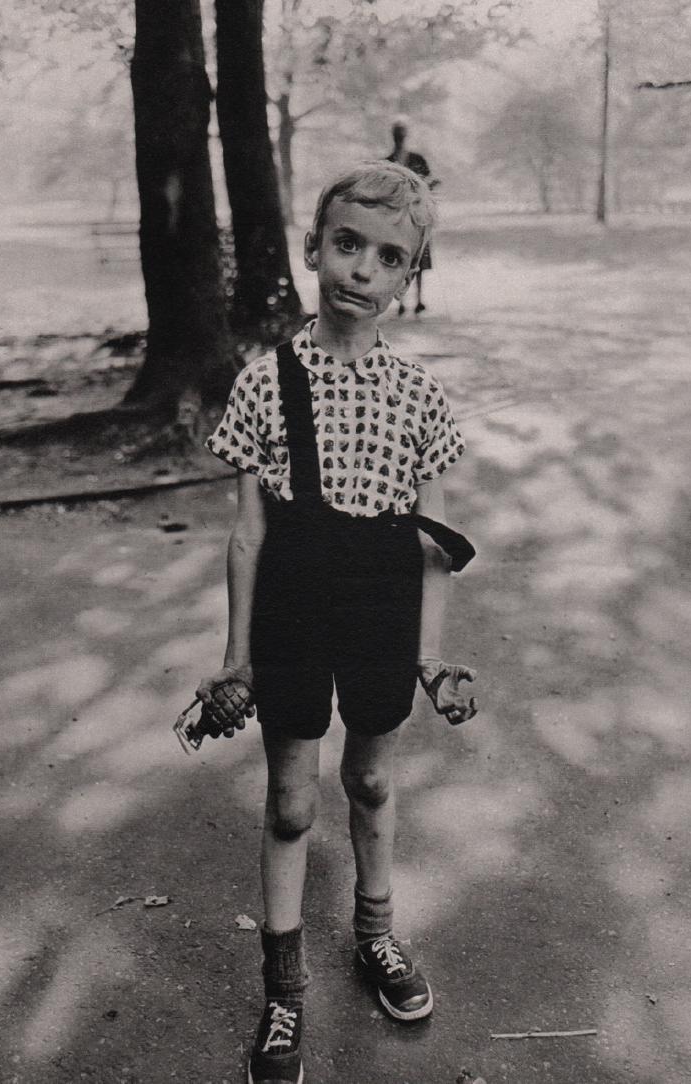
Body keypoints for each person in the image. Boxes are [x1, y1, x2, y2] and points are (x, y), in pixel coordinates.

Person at [187, 160, 478, 1084]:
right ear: (314, 248)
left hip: (382, 610)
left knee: (372, 781)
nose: (363, 269)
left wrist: (431, 659)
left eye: (390, 257)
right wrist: (235, 659)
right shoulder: (263, 383)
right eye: (348, 244)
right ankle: (283, 992)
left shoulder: (420, 395)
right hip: (292, 611)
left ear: (410, 276)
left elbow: (435, 544)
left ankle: (375, 935)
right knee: (290, 801)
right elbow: (247, 535)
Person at [385, 119, 439, 315]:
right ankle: (400, 302)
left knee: (419, 259)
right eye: (397, 134)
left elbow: (430, 182)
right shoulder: (387, 162)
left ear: (406, 136)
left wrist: (426, 188)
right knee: (399, 260)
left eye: (402, 134)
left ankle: (419, 300)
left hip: (417, 216)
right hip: (397, 218)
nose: (399, 138)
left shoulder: (417, 159)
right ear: (393, 136)